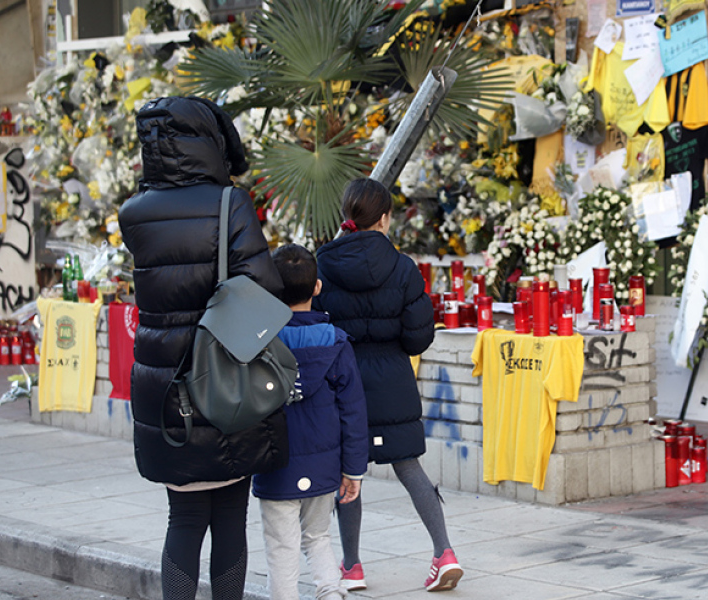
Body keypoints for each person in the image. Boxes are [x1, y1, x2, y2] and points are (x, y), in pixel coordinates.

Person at [118, 96, 289, 600]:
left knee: (184, 515)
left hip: (164, 383)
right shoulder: (227, 203)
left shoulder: (135, 213)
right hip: (223, 375)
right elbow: (264, 288)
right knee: (231, 514)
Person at [312, 177, 463, 593]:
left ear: (348, 216)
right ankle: (444, 552)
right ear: (384, 218)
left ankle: (353, 566)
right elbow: (420, 335)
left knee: (349, 471)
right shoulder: (402, 267)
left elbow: (317, 325)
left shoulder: (323, 264)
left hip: (343, 382)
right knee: (410, 466)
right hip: (394, 379)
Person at [253, 244, 369, 600]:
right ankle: (331, 594)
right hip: (323, 464)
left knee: (281, 546)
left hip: (275, 462)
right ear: (317, 287)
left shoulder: (259, 344)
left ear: (270, 288)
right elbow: (353, 411)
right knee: (318, 537)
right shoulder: (336, 343)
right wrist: (354, 470)